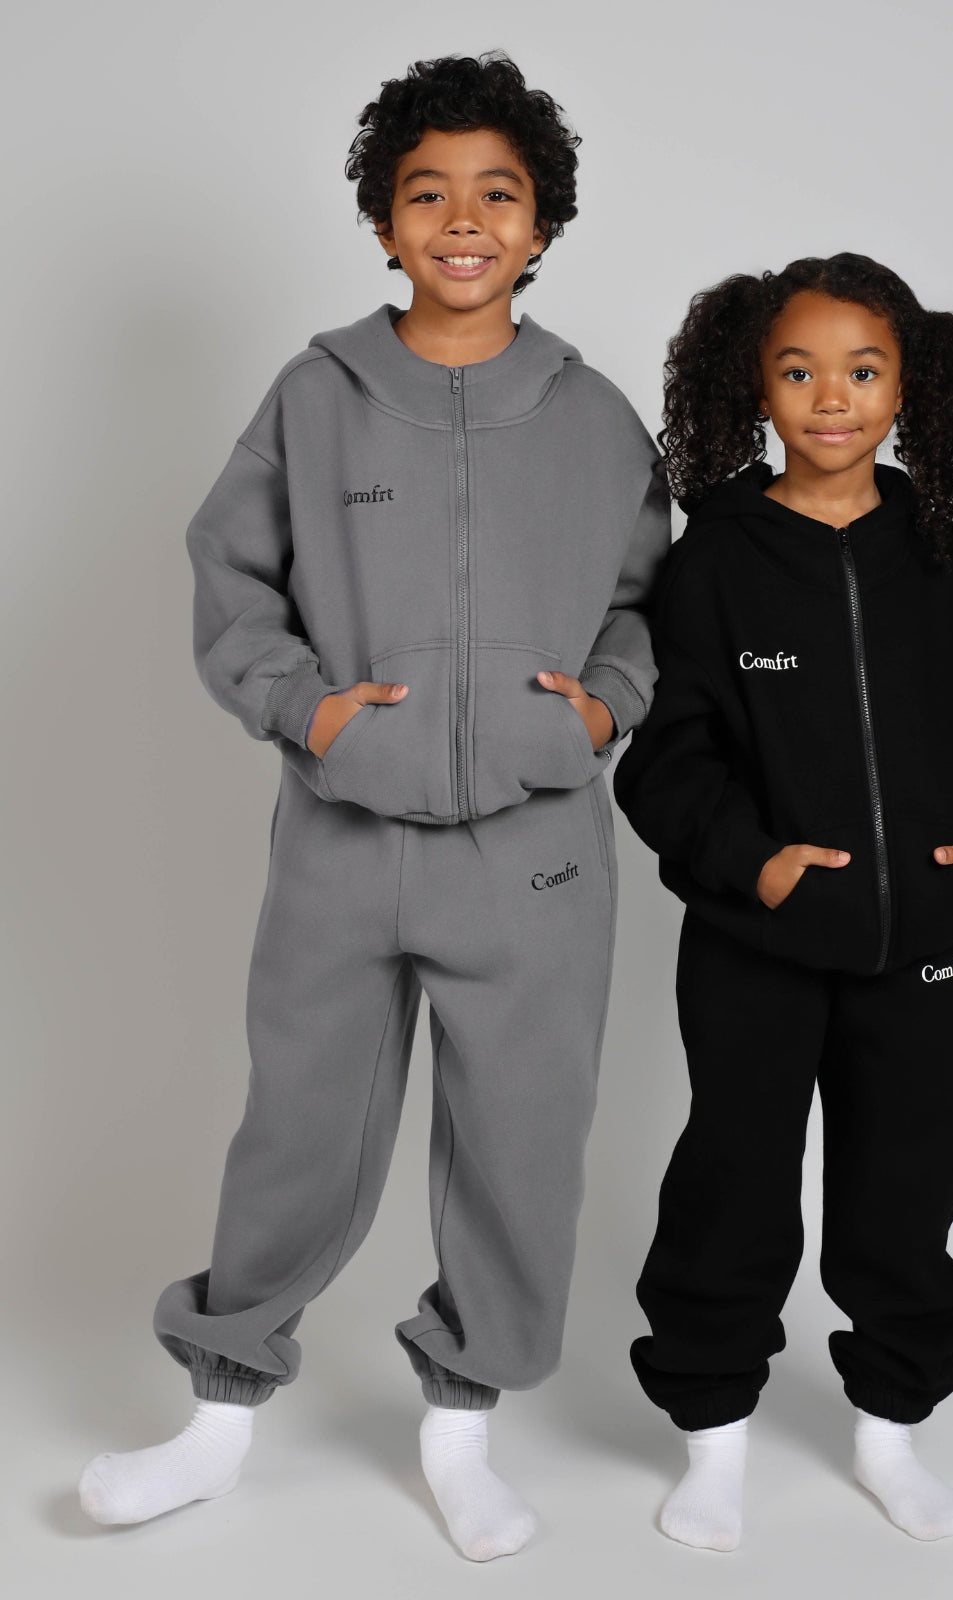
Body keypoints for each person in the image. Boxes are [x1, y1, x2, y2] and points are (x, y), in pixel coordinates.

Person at [78, 53, 669, 1561]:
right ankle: (218, 1419)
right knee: (299, 1128)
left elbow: (649, 602)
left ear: (542, 223)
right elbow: (232, 575)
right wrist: (310, 710)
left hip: (534, 859)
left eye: (498, 193)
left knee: (522, 1142)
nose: (463, 220)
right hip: (344, 844)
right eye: (428, 192)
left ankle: (463, 1430)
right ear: (385, 219)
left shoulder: (595, 416)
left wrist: (600, 707)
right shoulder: (318, 395)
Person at [613, 253, 953, 1550]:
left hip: (925, 946)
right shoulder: (712, 565)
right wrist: (757, 863)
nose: (831, 397)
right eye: (798, 371)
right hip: (757, 948)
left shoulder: (944, 559)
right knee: (734, 1183)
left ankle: (891, 1430)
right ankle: (713, 1439)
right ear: (755, 386)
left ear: (909, 387)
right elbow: (666, 758)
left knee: (909, 1187)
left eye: (862, 370)